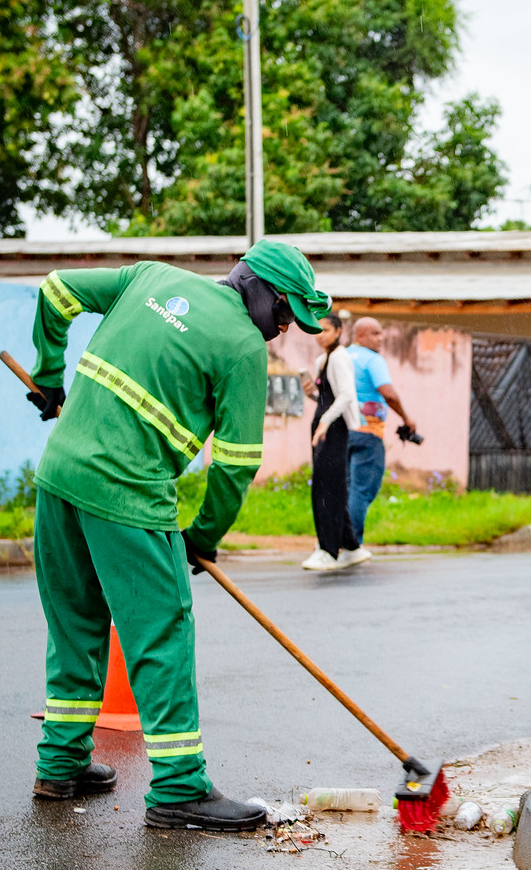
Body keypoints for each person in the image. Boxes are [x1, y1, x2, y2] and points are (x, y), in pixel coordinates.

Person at [27, 239, 330, 831]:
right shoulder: (242, 346)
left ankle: (60, 763)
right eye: (286, 311)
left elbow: (56, 290)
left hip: (58, 478)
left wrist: (47, 376)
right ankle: (179, 787)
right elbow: (238, 461)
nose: (284, 328)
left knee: (76, 623)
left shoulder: (149, 278)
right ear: (256, 287)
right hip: (128, 497)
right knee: (161, 634)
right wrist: (204, 535)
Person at [346, 316, 422, 544]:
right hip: (367, 433)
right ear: (359, 335)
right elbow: (388, 393)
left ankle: (334, 539)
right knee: (362, 490)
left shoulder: (342, 356)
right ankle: (352, 543)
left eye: (381, 333)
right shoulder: (372, 360)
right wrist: (407, 418)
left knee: (347, 488)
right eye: (375, 333)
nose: (381, 338)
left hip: (342, 432)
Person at [302, 313, 363, 572]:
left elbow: (348, 395)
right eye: (317, 330)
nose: (320, 335)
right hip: (324, 427)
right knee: (329, 486)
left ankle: (328, 550)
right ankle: (351, 547)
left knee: (326, 490)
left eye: (326, 330)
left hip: (333, 430)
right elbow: (329, 398)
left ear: (338, 332)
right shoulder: (322, 359)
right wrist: (312, 394)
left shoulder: (339, 357)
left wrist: (325, 422)